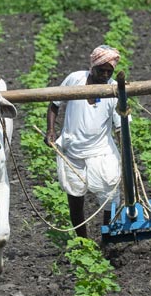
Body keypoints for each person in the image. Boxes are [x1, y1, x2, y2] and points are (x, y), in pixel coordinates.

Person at [46, 45, 124, 238]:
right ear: (92, 67)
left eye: (109, 71)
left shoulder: (114, 89)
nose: (105, 74)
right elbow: (54, 104)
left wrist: (126, 151)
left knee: (110, 196)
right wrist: (50, 130)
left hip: (102, 151)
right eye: (101, 70)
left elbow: (121, 125)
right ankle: (82, 241)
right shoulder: (75, 79)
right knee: (75, 197)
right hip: (73, 150)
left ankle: (108, 237)